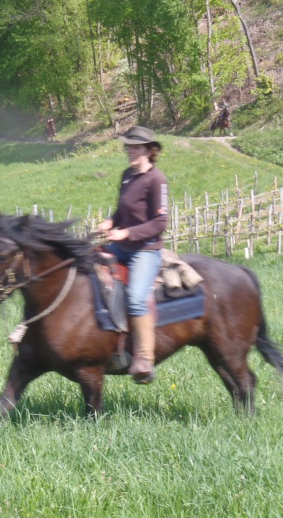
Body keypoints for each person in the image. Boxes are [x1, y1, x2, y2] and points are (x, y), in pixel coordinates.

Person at [96, 126, 168, 384]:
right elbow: (122, 211)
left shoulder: (156, 179)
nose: (130, 151)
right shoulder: (127, 175)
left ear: (150, 150)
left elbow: (160, 223)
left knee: (137, 299)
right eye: (128, 146)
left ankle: (144, 359)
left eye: (136, 147)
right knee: (89, 273)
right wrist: (109, 222)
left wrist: (125, 234)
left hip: (145, 252)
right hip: (120, 248)